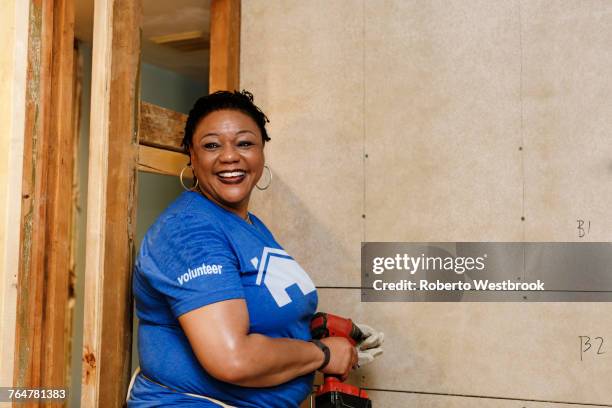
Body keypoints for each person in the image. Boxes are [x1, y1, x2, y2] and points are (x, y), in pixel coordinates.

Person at [127, 90, 383, 407]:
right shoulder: (189, 232)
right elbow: (232, 358)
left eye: (245, 143)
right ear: (192, 157)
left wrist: (313, 325)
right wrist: (323, 354)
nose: (230, 156)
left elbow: (249, 301)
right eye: (211, 145)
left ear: (261, 153)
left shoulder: (248, 224)